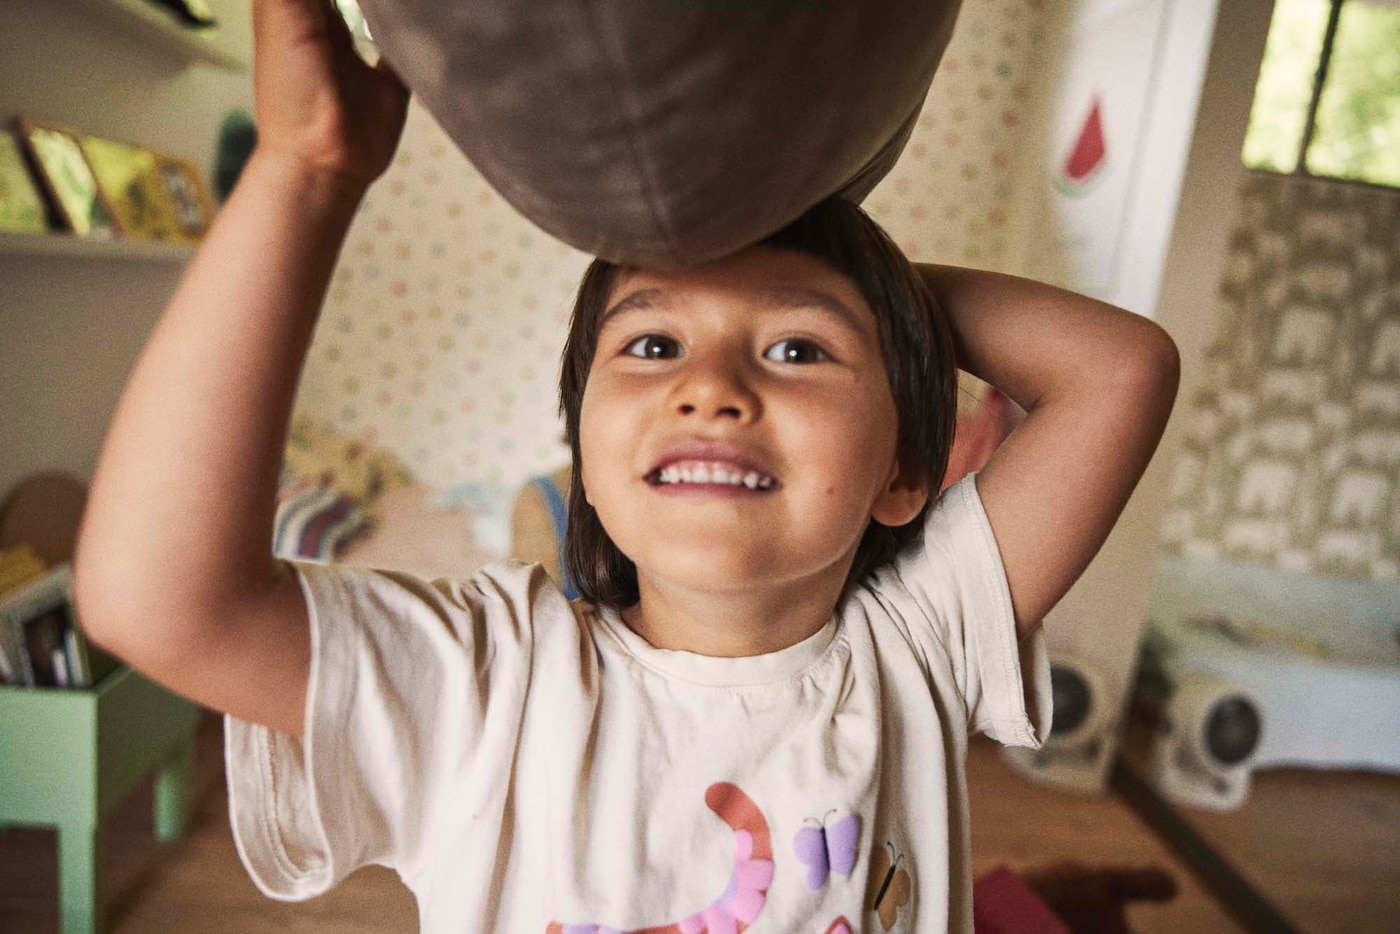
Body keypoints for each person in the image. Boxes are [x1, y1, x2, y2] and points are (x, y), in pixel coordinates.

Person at [72, 0, 1181, 931]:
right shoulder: (485, 685)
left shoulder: (919, 641)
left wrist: (867, 291)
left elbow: (1121, 370)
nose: (710, 385)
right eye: (650, 344)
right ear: (586, 460)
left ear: (904, 472)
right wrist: (304, 170)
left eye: (795, 350)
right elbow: (154, 599)